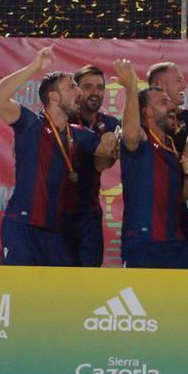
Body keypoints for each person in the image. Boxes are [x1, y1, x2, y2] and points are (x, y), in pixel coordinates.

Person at [0, 46, 118, 266]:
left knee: (59, 296)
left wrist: (112, 138)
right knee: (22, 293)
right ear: (54, 97)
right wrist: (35, 67)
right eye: (72, 87)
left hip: (55, 231)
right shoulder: (30, 124)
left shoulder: (77, 134)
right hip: (22, 225)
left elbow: (109, 151)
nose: (79, 93)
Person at [115, 60, 188, 268]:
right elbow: (129, 134)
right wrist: (131, 89)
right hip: (143, 242)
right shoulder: (141, 139)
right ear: (147, 112)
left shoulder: (171, 146)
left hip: (175, 241)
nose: (172, 106)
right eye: (164, 103)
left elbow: (183, 196)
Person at [63, 65, 120, 267]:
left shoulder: (111, 124)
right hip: (55, 214)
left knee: (89, 281)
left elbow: (101, 164)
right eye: (88, 86)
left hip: (88, 214)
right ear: (76, 90)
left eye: (100, 87)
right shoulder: (61, 120)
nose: (95, 92)